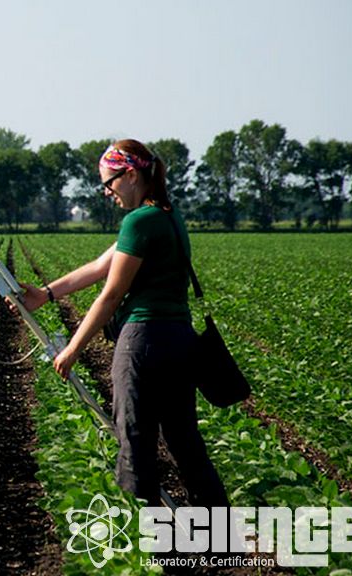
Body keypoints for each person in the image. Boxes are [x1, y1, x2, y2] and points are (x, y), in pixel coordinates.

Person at [14, 139, 228, 507]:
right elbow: (100, 266)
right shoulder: (166, 215)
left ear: (130, 175)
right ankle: (219, 541)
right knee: (185, 443)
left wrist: (73, 348)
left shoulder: (139, 221)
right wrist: (45, 293)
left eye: (109, 182)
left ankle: (155, 552)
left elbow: (110, 295)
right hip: (180, 341)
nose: (107, 192)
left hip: (143, 345)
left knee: (136, 444)